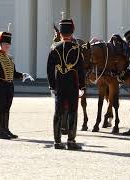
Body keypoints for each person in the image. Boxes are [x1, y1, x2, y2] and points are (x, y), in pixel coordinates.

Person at [0, 31, 34, 139]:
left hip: (9, 86)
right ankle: (0, 132)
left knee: (6, 108)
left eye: (8, 43)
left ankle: (6, 130)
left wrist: (23, 75)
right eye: (5, 43)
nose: (7, 45)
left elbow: (14, 73)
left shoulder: (10, 58)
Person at [47, 19, 85, 150]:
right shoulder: (77, 48)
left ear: (61, 33)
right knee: (72, 112)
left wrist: (52, 85)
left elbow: (49, 70)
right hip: (73, 84)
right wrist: (82, 86)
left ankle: (57, 141)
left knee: (58, 112)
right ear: (72, 31)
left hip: (59, 84)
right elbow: (81, 70)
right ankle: (71, 140)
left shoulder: (54, 48)